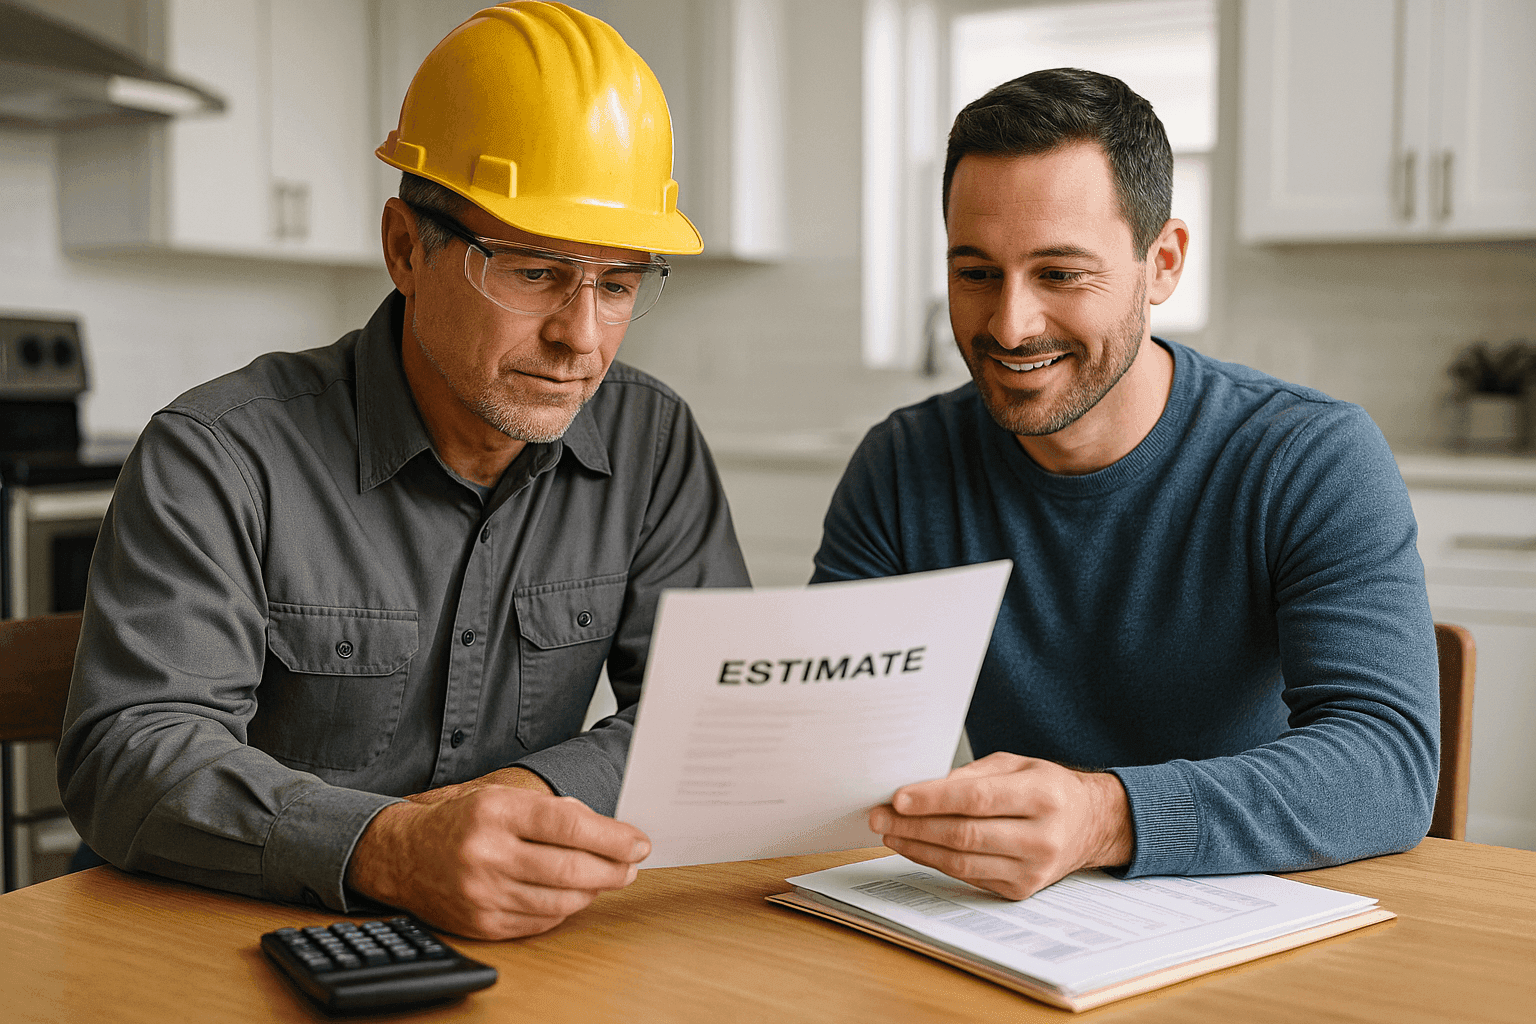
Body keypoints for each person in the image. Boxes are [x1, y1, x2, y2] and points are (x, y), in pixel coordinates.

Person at [58, 2, 749, 940]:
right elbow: (131, 751)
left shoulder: (652, 441)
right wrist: (387, 846)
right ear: (403, 249)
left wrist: (514, 800)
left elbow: (709, 716)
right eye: (533, 271)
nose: (581, 339)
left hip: (511, 946)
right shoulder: (218, 453)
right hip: (210, 941)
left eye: (618, 283)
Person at [813, 68, 1439, 899]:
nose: (1009, 324)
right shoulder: (902, 463)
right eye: (975, 273)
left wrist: (1106, 816)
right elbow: (822, 741)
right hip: (1015, 922)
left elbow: (1387, 766)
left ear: (1163, 263)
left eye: (1061, 274)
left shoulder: (1308, 455)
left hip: (1260, 905)